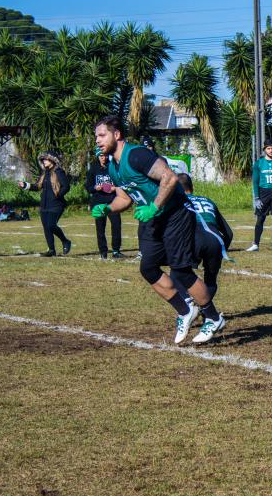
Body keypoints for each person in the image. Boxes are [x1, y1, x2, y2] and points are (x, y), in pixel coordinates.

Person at [92, 116, 225, 345]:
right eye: (96, 137)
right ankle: (185, 311)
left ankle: (213, 317)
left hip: (176, 214)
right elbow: (124, 198)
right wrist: (107, 208)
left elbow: (169, 177)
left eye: (102, 135)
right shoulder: (113, 167)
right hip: (156, 219)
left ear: (117, 135)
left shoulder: (137, 155)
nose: (97, 140)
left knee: (181, 270)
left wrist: (154, 206)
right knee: (148, 267)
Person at [177, 172, 233, 299]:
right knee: (211, 280)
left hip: (193, 239)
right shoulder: (208, 201)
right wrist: (221, 252)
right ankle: (207, 313)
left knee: (179, 274)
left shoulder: (178, 201)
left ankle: (189, 305)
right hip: (215, 240)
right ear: (192, 187)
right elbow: (229, 233)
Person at [18, 150, 72, 257]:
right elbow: (37, 186)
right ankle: (51, 250)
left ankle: (65, 241)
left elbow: (66, 187)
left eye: (45, 159)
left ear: (52, 160)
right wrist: (25, 185)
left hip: (56, 205)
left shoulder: (59, 172)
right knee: (46, 227)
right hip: (44, 205)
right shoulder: (44, 173)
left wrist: (58, 195)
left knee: (51, 225)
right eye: (42, 160)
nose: (44, 161)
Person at [247, 140, 272, 252]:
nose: (271, 150)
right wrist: (256, 198)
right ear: (265, 150)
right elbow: (255, 182)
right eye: (269, 148)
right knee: (260, 219)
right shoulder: (259, 163)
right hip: (263, 192)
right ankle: (256, 244)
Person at [85, 148, 124, 259]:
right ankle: (103, 251)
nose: (103, 158)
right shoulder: (93, 169)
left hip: (112, 201)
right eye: (101, 156)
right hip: (98, 202)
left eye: (105, 155)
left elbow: (120, 182)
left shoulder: (113, 167)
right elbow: (88, 186)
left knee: (116, 226)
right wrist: (94, 188)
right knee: (100, 228)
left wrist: (114, 188)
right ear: (98, 156)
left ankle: (116, 250)